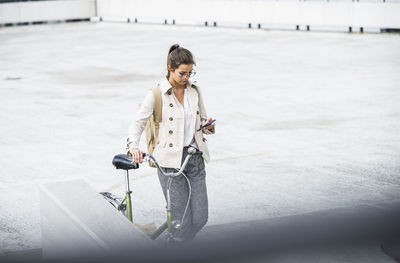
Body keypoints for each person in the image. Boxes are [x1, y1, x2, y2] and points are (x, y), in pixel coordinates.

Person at [127, 44, 215, 241]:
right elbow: (138, 122)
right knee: (180, 222)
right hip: (169, 163)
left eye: (190, 73)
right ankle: (177, 248)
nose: (187, 78)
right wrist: (133, 146)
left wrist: (207, 125)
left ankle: (178, 245)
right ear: (170, 68)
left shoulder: (194, 91)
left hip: (194, 158)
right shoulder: (157, 94)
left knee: (200, 218)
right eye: (182, 73)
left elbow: (202, 120)